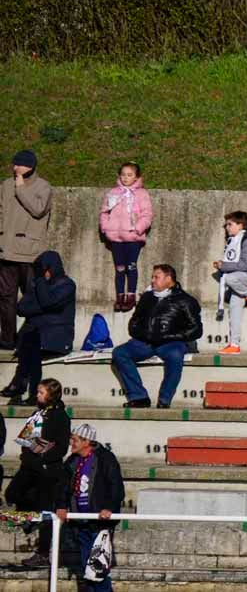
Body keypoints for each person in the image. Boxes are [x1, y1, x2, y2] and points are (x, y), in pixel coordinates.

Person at [111, 264, 203, 408]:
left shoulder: (185, 300)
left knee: (175, 355)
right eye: (152, 277)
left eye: (156, 277)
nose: (153, 280)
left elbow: (196, 330)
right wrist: (145, 335)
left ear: (169, 278)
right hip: (145, 343)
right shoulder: (147, 297)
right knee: (119, 353)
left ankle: (164, 400)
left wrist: (170, 336)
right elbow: (134, 322)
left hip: (170, 343)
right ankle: (139, 397)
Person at [5, 378, 70, 568]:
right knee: (12, 493)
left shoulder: (60, 416)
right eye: (38, 392)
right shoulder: (37, 414)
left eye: (41, 392)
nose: (38, 395)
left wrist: (41, 456)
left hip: (47, 470)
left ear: (51, 395)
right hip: (29, 466)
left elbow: (60, 447)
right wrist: (29, 452)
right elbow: (26, 438)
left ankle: (43, 552)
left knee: (47, 512)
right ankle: (30, 518)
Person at [56, 423, 125, 592]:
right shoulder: (72, 460)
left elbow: (116, 486)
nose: (71, 442)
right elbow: (63, 486)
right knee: (89, 569)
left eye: (75, 440)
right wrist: (61, 506)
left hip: (99, 524)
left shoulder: (105, 458)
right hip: (80, 523)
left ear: (87, 441)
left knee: (97, 569)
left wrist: (109, 507)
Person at [1, 251, 75, 404]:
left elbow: (48, 302)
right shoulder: (37, 284)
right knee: (30, 343)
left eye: (44, 270)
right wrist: (42, 307)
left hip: (57, 339)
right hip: (37, 337)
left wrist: (39, 302)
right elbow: (21, 308)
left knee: (31, 346)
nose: (42, 274)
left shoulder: (67, 285)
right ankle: (25, 389)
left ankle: (22, 386)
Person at [0, 150, 53, 350]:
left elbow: (38, 210)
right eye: (14, 164)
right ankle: (7, 339)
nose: (14, 168)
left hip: (30, 253)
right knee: (6, 298)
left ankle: (32, 338)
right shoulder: (6, 185)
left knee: (33, 298)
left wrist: (21, 189)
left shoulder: (43, 187)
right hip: (6, 251)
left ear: (29, 166)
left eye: (18, 165)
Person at [99, 161, 153, 313]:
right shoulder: (113, 193)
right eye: (123, 175)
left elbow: (147, 214)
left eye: (129, 175)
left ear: (136, 177)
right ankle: (119, 296)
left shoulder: (141, 194)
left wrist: (138, 229)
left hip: (132, 237)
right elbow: (104, 212)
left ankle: (130, 296)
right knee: (119, 269)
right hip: (115, 237)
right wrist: (106, 227)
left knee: (131, 266)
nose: (125, 178)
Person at [213, 211, 247, 355]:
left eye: (230, 224)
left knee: (229, 278)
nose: (227, 227)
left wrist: (223, 266)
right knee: (234, 309)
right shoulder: (232, 240)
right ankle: (234, 344)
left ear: (240, 225)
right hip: (239, 278)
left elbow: (245, 265)